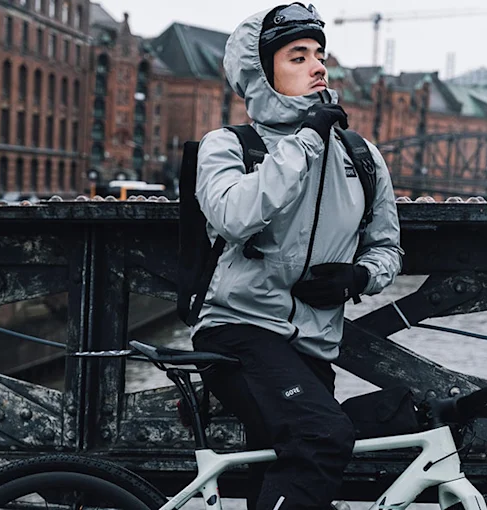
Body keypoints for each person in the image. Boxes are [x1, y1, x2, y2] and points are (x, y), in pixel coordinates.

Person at [192, 3, 403, 510]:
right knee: (321, 438)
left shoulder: (361, 156)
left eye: (320, 55)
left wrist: (359, 277)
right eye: (298, 56)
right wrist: (306, 138)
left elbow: (388, 247)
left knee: (286, 470)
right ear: (262, 72)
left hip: (313, 348)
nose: (318, 67)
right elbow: (234, 216)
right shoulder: (227, 146)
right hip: (239, 332)